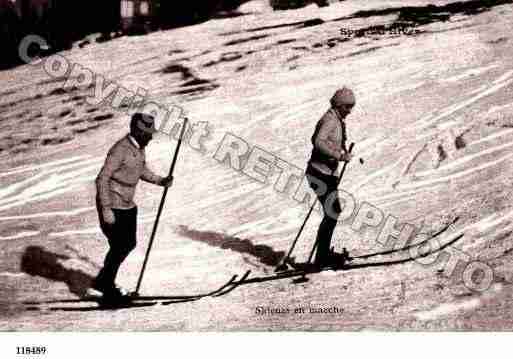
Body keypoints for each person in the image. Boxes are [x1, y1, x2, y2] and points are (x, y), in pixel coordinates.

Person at [92, 113, 173, 299]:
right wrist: (106, 208)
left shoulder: (139, 147)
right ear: (137, 131)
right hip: (113, 203)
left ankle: (103, 283)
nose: (151, 137)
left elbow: (140, 169)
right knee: (120, 245)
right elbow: (102, 178)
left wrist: (160, 181)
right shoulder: (120, 150)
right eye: (147, 133)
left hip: (128, 204)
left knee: (127, 244)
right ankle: (104, 286)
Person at [306, 87, 355, 268]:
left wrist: (340, 152)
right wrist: (339, 155)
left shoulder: (337, 119)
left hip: (326, 172)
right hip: (318, 172)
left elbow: (330, 142)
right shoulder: (330, 120)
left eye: (352, 107)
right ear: (339, 105)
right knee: (332, 212)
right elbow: (318, 141)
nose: (350, 111)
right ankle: (322, 258)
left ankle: (323, 254)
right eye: (347, 107)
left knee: (333, 212)